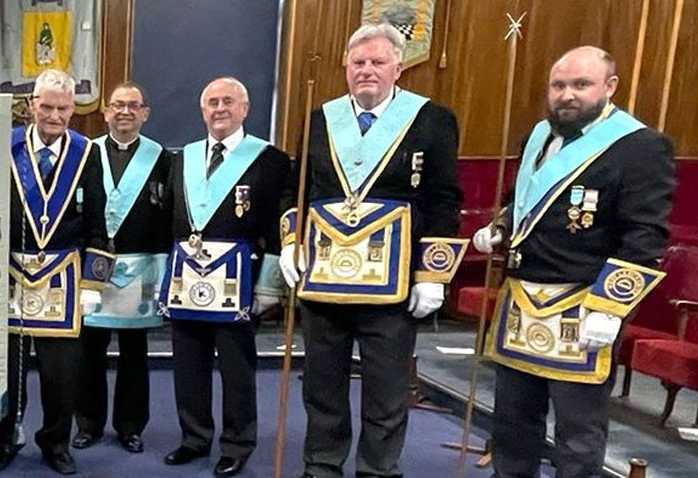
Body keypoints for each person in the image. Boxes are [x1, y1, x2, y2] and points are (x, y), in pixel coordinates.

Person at [474, 46, 673, 478]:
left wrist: (610, 308)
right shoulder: (537, 136)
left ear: (610, 86)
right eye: (559, 85)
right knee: (511, 423)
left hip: (583, 306)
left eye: (580, 85)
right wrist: (502, 227)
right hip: (521, 302)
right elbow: (523, 202)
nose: (567, 95)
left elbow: (644, 237)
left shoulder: (640, 146)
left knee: (577, 435)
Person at [280, 24, 465, 478]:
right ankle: (321, 465)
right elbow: (296, 190)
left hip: (394, 281)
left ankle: (377, 470)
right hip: (324, 280)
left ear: (397, 68)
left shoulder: (431, 119)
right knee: (322, 385)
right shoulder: (319, 118)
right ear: (346, 67)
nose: (366, 70)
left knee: (385, 387)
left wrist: (433, 274)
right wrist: (290, 243)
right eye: (358, 62)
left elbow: (444, 198)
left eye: (377, 62)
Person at [159, 77, 291, 478]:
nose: (220, 109)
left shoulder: (270, 160)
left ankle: (237, 443)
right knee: (187, 364)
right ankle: (194, 437)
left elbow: (278, 225)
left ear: (245, 109)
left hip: (238, 279)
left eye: (228, 102)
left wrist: (270, 283)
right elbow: (169, 219)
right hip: (187, 276)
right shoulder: (183, 158)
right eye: (212, 102)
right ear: (202, 111)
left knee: (236, 368)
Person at [0, 68, 112, 475]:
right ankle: (4, 439)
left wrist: (92, 283)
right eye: (47, 106)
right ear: (32, 105)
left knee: (61, 377)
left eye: (63, 108)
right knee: (7, 373)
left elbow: (97, 224)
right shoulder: (4, 147)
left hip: (65, 279)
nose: (54, 116)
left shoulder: (87, 153)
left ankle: (55, 443)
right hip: (11, 275)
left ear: (73, 109)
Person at [71, 81, 172, 455]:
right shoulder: (85, 153)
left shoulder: (162, 158)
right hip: (92, 265)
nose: (125, 111)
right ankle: (88, 424)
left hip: (140, 266)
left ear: (145, 112)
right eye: (118, 105)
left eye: (133, 105)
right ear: (105, 112)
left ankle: (131, 426)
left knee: (135, 353)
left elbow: (167, 214)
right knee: (89, 352)